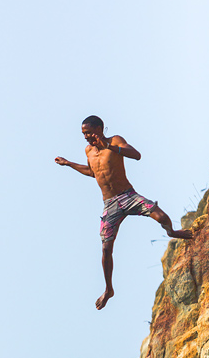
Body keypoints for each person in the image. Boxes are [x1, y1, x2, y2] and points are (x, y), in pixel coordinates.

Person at [55, 115, 192, 310]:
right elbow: (92, 172)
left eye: (88, 132)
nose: (85, 137)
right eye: (83, 134)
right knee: (105, 249)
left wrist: (109, 146)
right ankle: (109, 289)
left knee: (161, 217)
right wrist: (69, 164)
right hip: (110, 204)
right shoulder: (88, 151)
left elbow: (136, 155)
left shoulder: (115, 141)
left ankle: (171, 232)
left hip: (128, 196)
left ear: (99, 128)